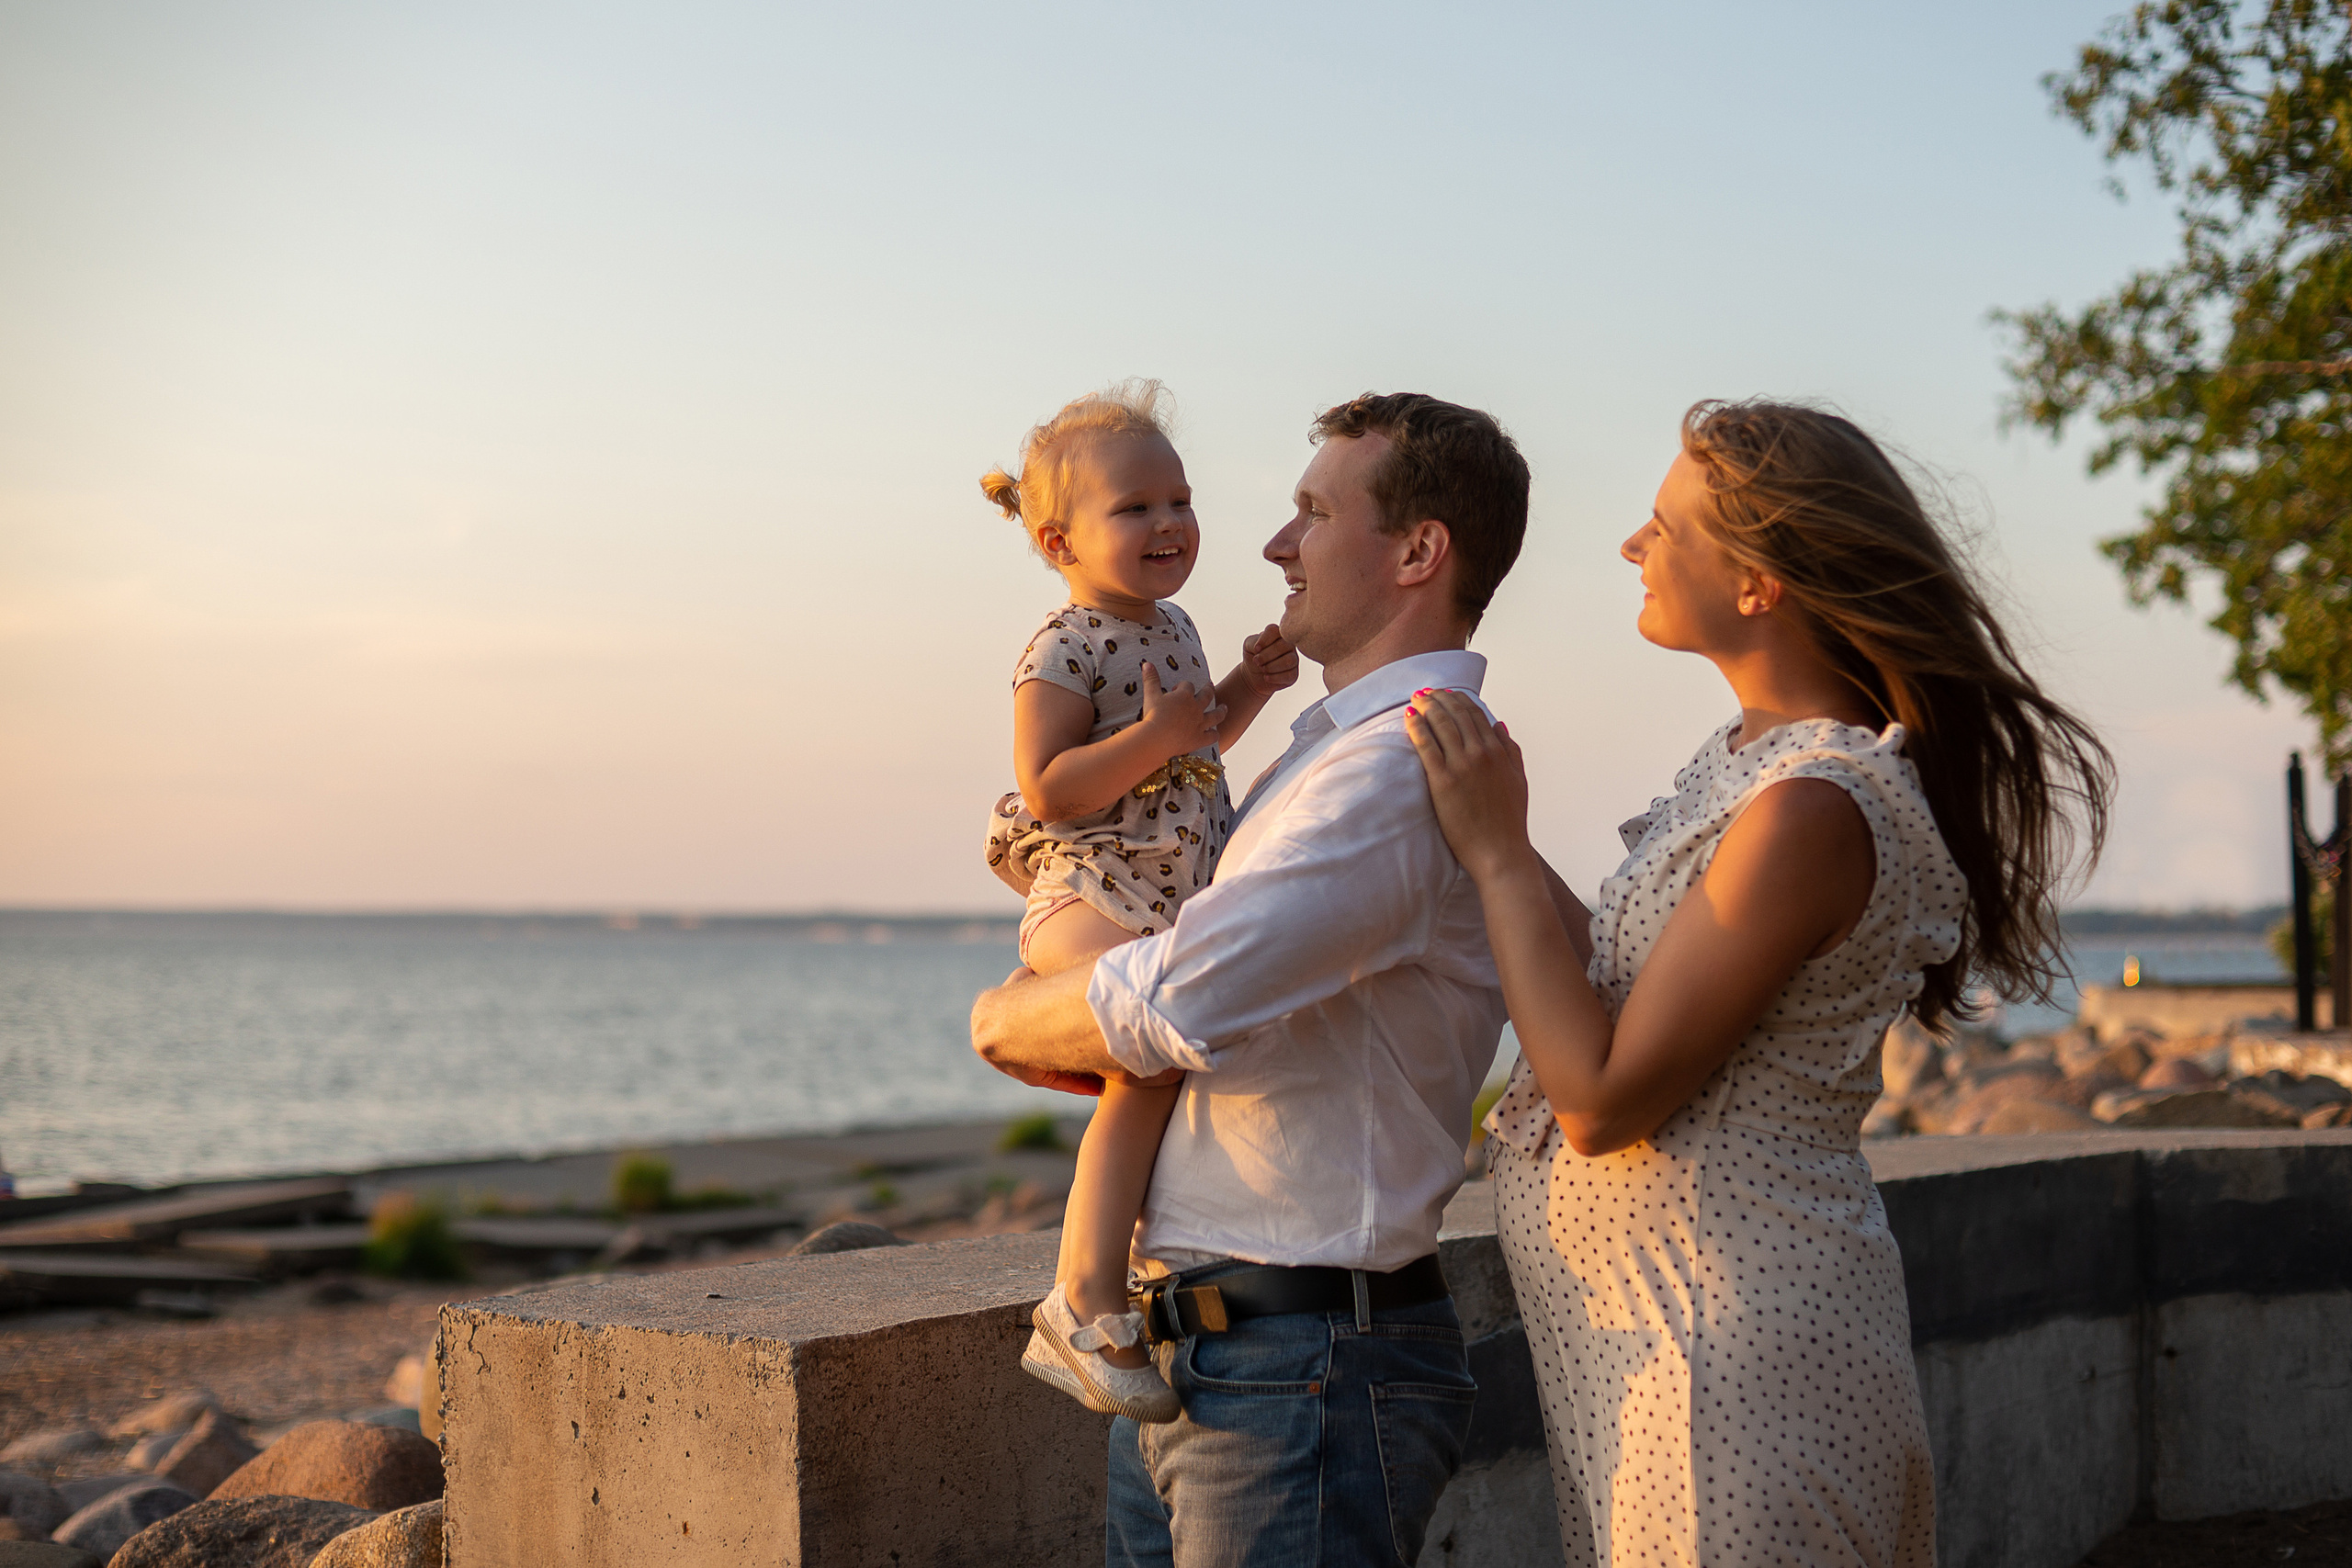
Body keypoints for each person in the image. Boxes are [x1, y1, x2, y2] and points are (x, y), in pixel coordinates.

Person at [1403, 400, 2113, 1566]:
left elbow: (1601, 1097)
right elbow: (1617, 981)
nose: (1633, 546)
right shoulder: (1750, 765)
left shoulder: (1812, 806)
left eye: (1663, 526)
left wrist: (1492, 852)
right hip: (1665, 1350)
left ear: (1758, 582)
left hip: (1724, 1367)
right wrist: (1488, 823)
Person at [971, 390, 1550, 1567]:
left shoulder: (1394, 767)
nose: (1275, 544)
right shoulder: (1336, 750)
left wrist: (1001, 1018)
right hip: (1222, 1359)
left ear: (1417, 552)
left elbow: (1171, 1002)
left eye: (1311, 513)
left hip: (1303, 1372)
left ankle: (1073, 1296)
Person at [978, 380, 1299, 1423]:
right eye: (1136, 508)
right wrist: (1158, 738)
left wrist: (1246, 687)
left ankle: (1109, 1282)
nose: (1169, 524)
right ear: (1057, 539)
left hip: (1164, 894)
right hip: (1090, 886)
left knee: (1160, 1071)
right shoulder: (1062, 646)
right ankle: (1080, 1300)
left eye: (1180, 500)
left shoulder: (1177, 626)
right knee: (1145, 1062)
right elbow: (1048, 786)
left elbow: (1199, 741)